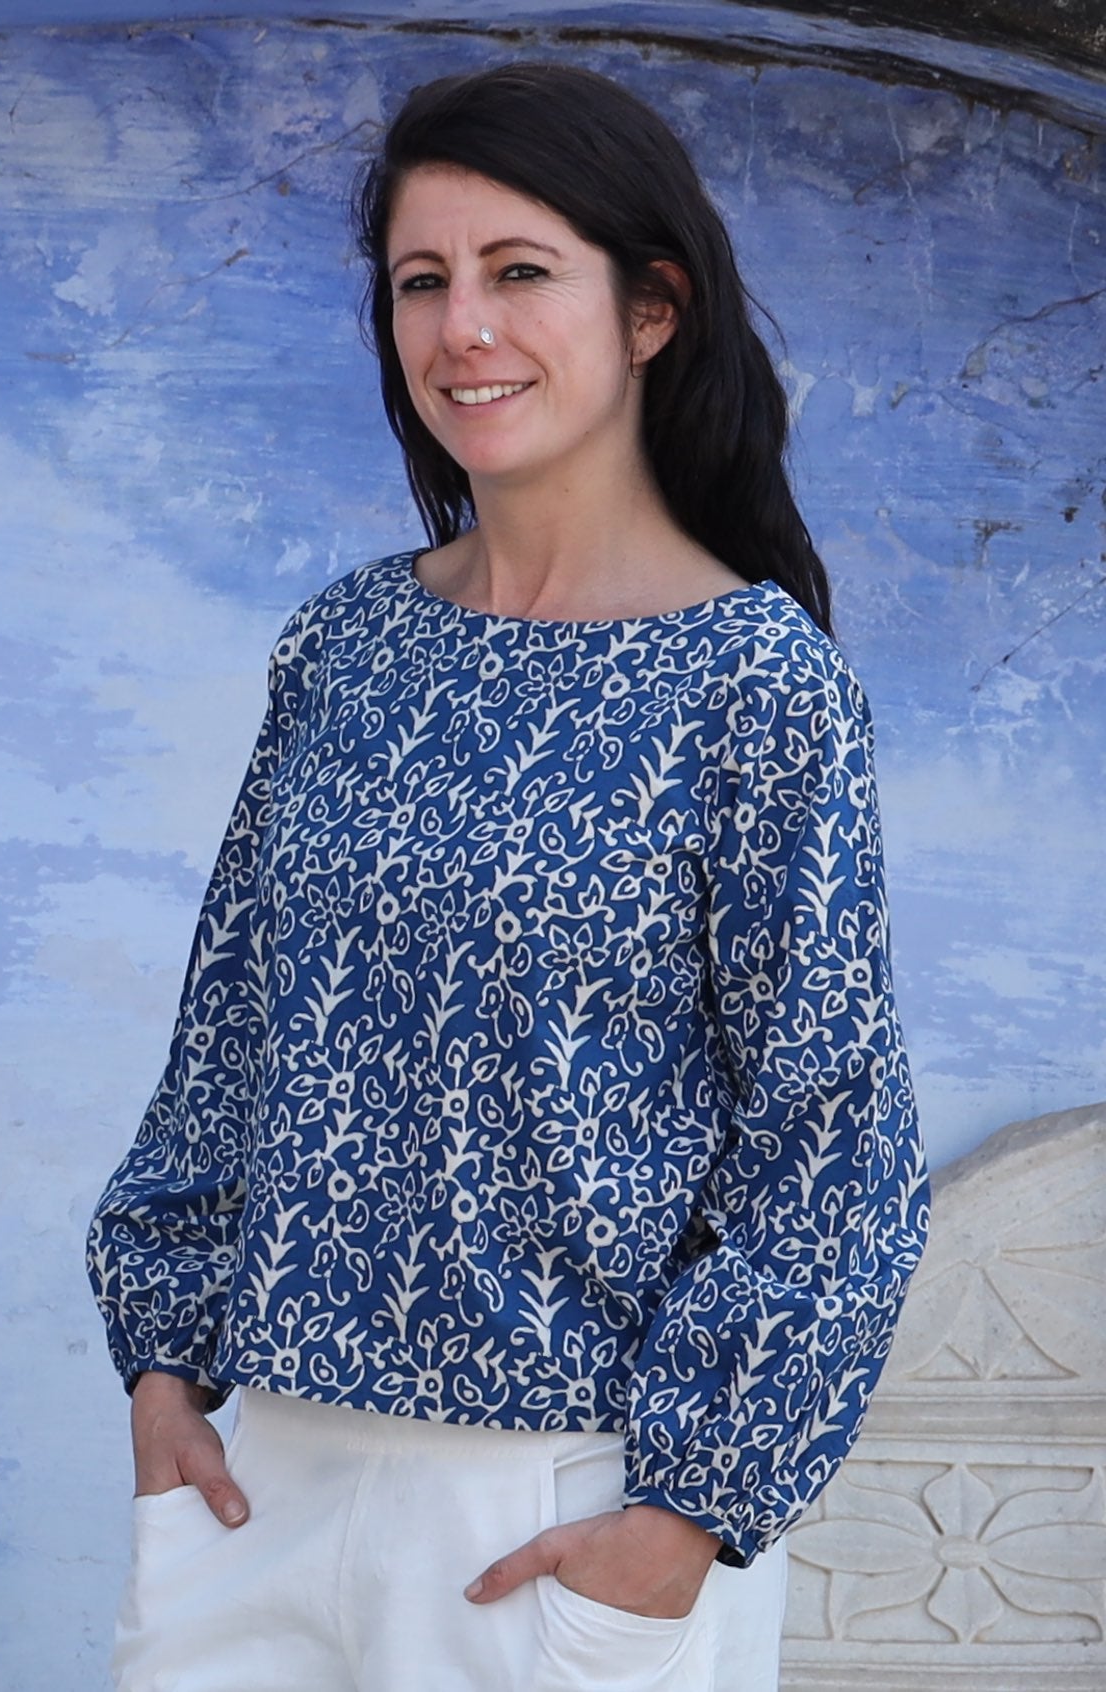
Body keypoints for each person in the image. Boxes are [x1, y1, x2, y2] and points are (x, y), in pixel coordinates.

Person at [87, 59, 929, 1692]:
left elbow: (830, 1145)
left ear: (653, 312)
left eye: (520, 271)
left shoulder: (755, 686)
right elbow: (229, 1033)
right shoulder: (347, 644)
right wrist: (161, 1368)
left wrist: (687, 1512)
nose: (461, 327)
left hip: (561, 1513)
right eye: (423, 282)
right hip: (264, 1483)